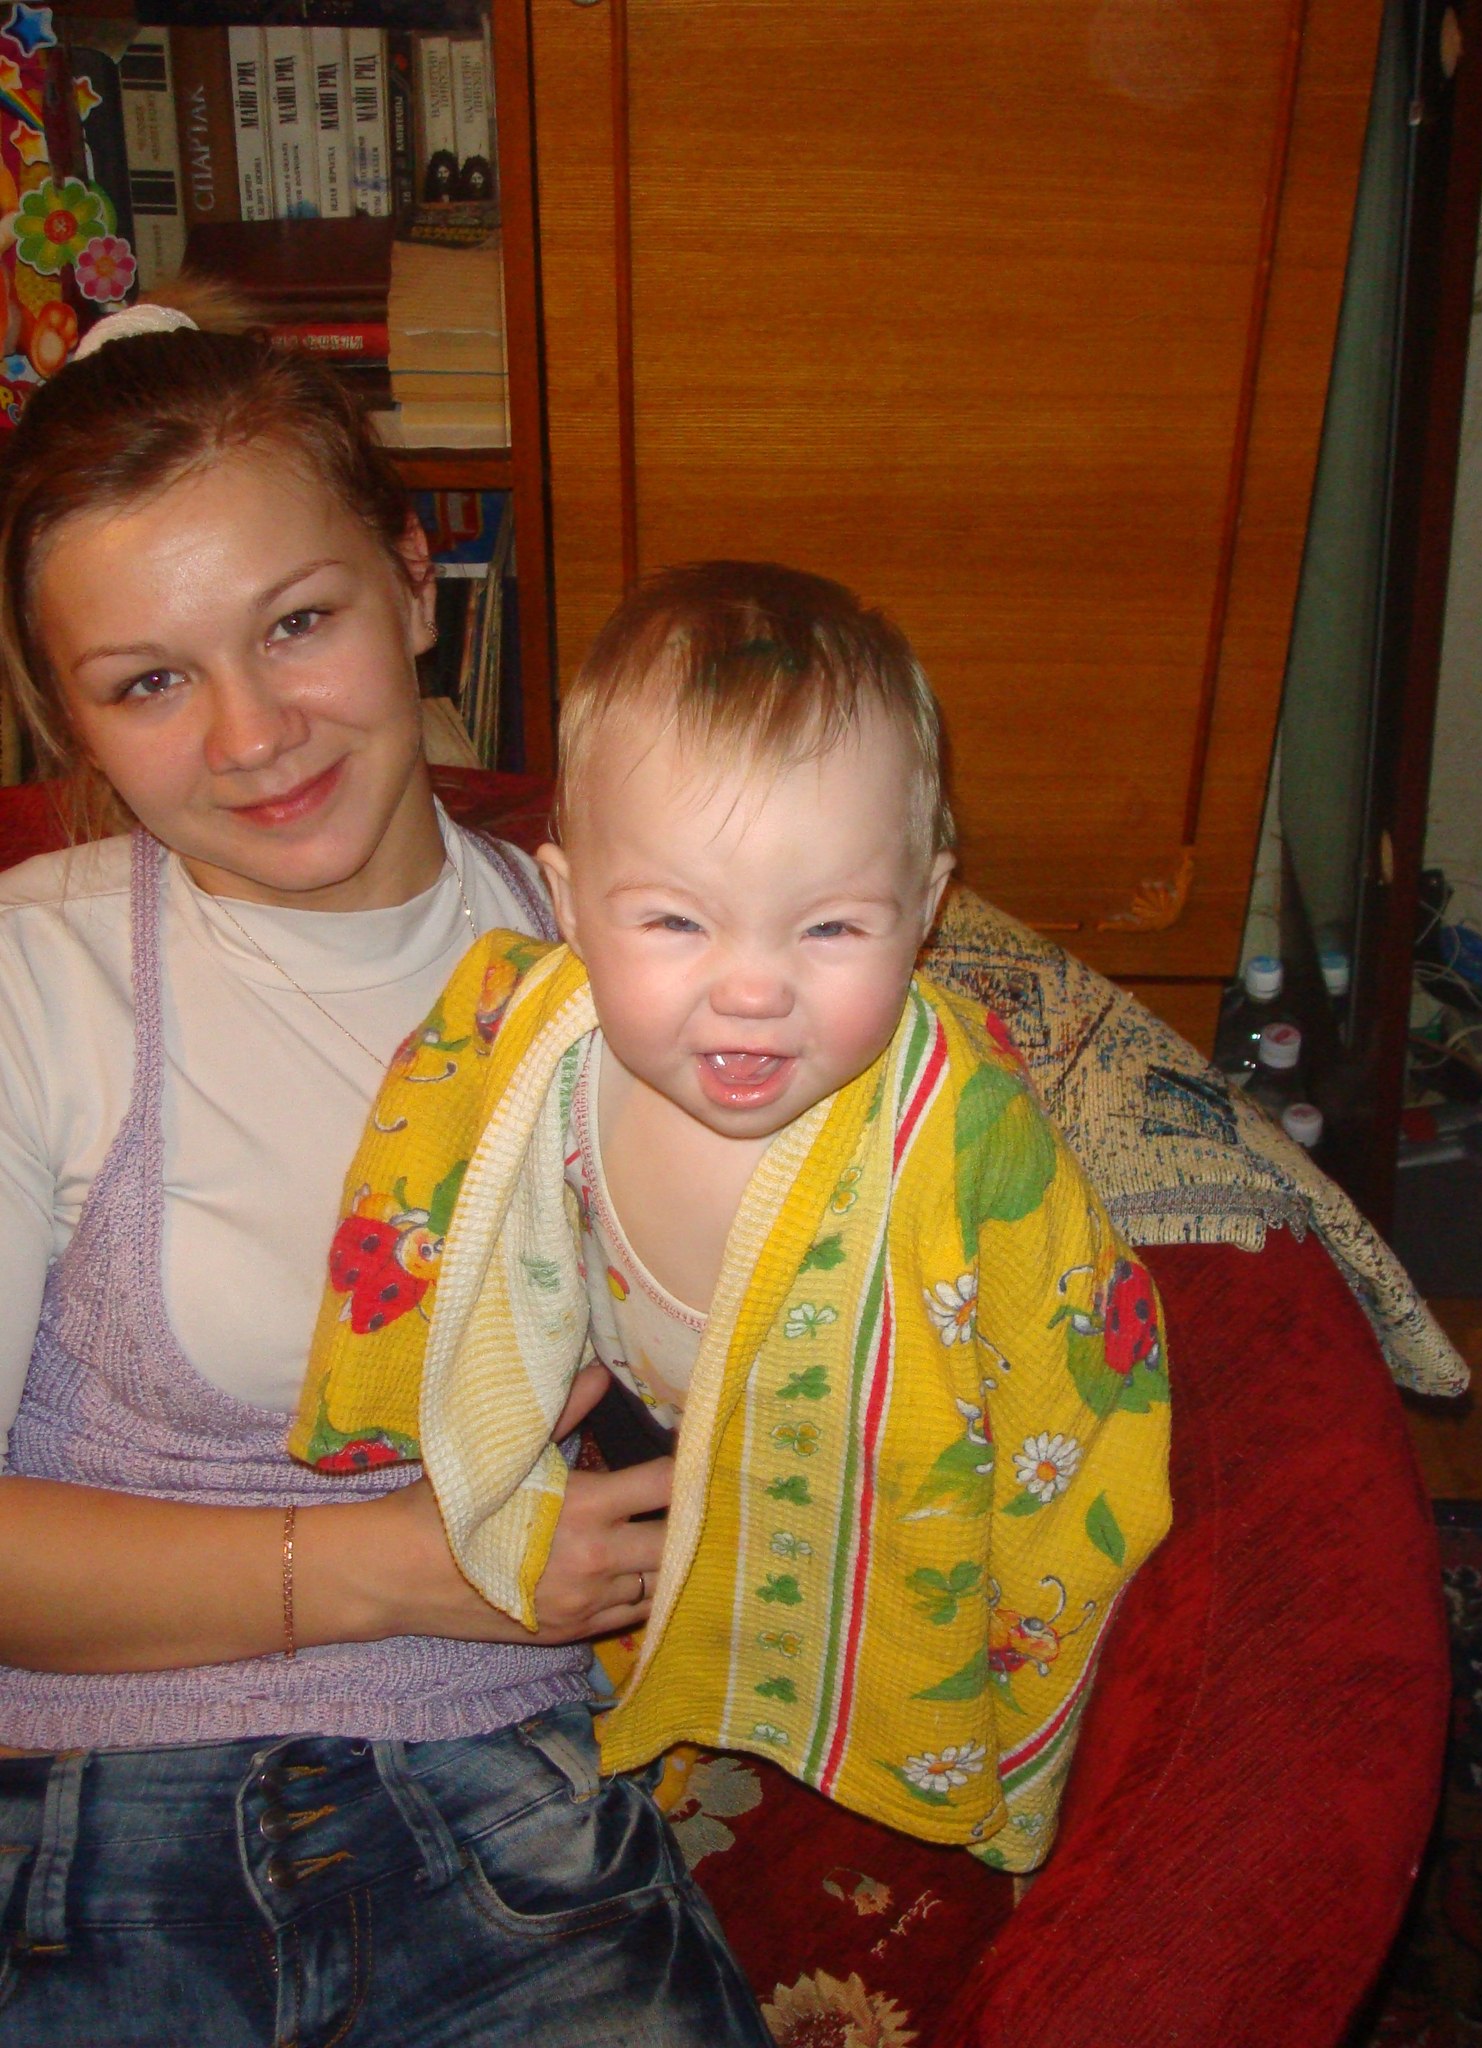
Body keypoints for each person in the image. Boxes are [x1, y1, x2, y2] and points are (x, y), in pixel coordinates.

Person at [0, 301, 772, 2045]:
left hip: (505, 1814)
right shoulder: (35, 979)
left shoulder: (620, 972)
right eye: (147, 682)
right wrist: (404, 1572)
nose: (251, 735)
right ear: (72, 723)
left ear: (419, 585)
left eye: (297, 623)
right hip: (80, 1838)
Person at [292, 562, 1174, 1871]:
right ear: (567, 903)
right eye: (674, 920)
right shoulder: (520, 1036)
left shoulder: (964, 1131)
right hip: (643, 1417)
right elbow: (421, 1174)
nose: (752, 990)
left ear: (926, 909)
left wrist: (1034, 1605)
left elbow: (1076, 1366)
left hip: (870, 1459)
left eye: (830, 928)